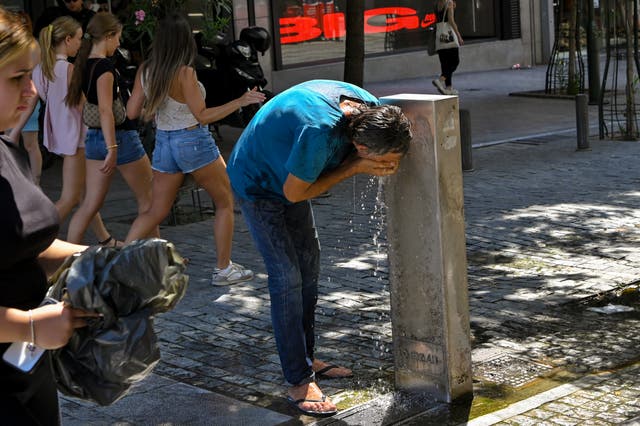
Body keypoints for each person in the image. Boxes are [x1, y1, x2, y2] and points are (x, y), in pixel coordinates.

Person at [226, 79, 412, 417]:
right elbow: (294, 193)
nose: (387, 168)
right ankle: (298, 379)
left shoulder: (371, 108)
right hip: (258, 183)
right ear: (361, 146)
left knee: (309, 268)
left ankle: (306, 359)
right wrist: (352, 168)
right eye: (385, 161)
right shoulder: (320, 133)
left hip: (288, 168)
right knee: (286, 278)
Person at [0, 7, 98, 423]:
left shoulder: (6, 145)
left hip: (26, 371)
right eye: (17, 78)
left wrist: (96, 261)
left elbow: (22, 243)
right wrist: (28, 327)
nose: (33, 91)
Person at [124, 13, 265, 284]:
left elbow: (132, 112)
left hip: (164, 142)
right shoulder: (185, 72)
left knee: (155, 211)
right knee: (224, 202)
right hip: (193, 141)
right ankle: (223, 269)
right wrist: (241, 100)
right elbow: (202, 115)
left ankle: (119, 260)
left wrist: (155, 107)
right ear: (184, 42)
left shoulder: (147, 69)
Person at [65, 12, 157, 245]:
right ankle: (157, 257)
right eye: (117, 38)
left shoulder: (82, 64)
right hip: (119, 138)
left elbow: (87, 104)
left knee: (89, 205)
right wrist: (112, 147)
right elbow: (106, 110)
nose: (118, 43)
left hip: (94, 138)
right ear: (107, 36)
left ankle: (66, 261)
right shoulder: (104, 67)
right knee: (149, 200)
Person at [33, 16, 121, 248]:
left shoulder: (41, 69)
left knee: (84, 195)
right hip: (77, 137)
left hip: (61, 136)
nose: (81, 44)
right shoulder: (68, 69)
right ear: (67, 39)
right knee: (72, 197)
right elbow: (82, 105)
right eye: (79, 39)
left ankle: (105, 238)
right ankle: (34, 239)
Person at [6, 11, 42, 184]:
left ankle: (35, 181)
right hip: (13, 101)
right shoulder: (10, 48)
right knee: (9, 142)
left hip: (28, 103)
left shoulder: (32, 47)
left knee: (30, 144)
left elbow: (33, 82)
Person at [432, 0, 463, 96]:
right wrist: (458, 35)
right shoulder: (449, 3)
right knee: (455, 62)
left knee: (445, 64)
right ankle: (440, 80)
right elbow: (451, 20)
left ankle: (448, 88)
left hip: (440, 39)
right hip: (449, 37)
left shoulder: (436, 4)